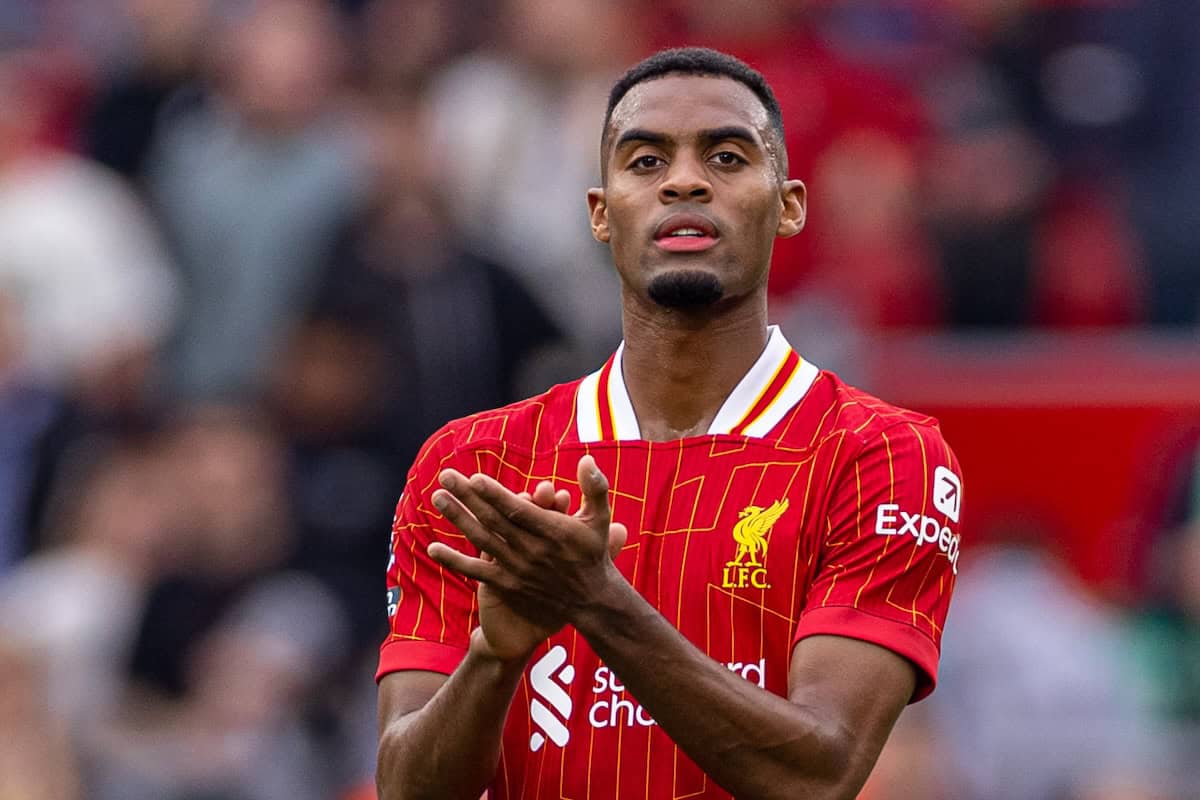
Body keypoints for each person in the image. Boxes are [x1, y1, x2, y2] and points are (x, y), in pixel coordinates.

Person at [376, 47, 963, 800]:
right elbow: (405, 791)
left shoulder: (884, 455)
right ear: (600, 212)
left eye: (725, 155)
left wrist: (593, 598)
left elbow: (817, 775)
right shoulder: (474, 465)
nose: (685, 181)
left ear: (788, 205)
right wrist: (495, 656)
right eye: (646, 161)